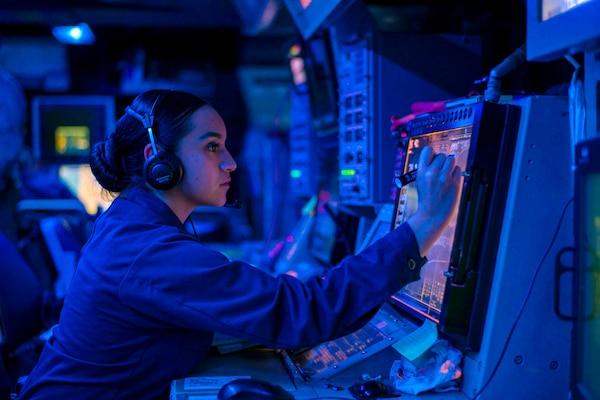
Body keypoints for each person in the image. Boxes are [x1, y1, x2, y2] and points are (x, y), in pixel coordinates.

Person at [16, 89, 462, 399]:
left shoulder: (133, 226)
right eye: (212, 147)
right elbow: (300, 314)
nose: (230, 162)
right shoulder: (147, 252)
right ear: (159, 162)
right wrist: (422, 226)